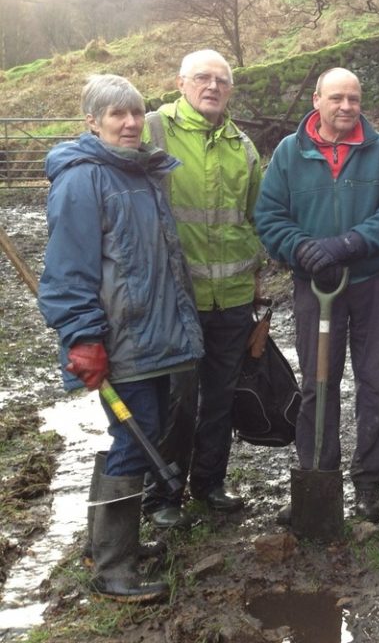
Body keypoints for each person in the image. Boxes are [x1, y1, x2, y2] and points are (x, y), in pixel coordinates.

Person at [38, 75, 204, 601]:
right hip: (122, 340)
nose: (130, 124)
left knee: (147, 434)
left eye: (135, 113)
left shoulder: (141, 171)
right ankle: (112, 567)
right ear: (92, 122)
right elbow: (68, 271)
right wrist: (83, 337)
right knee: (135, 439)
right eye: (116, 116)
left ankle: (120, 546)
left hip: (156, 337)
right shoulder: (82, 180)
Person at [255, 67, 379, 524]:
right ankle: (317, 477)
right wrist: (301, 248)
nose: (346, 106)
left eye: (354, 99)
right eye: (337, 98)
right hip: (315, 287)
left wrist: (349, 244)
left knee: (375, 383)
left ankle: (368, 485)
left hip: (372, 284)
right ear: (317, 99)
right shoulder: (289, 153)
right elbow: (269, 215)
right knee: (317, 383)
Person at [141, 49, 263, 527]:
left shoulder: (243, 147)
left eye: (222, 80)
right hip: (175, 299)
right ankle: (163, 495)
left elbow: (253, 218)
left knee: (219, 398)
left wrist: (255, 282)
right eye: (202, 78)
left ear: (231, 89)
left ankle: (210, 484)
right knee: (176, 401)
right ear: (181, 82)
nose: (212, 86)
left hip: (232, 298)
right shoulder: (154, 130)